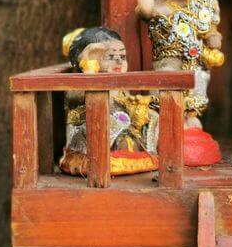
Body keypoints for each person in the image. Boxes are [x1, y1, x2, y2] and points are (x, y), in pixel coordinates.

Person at [134, 0, 224, 128]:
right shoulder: (160, 7)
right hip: (168, 66)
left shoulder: (209, 3)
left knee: (196, 94)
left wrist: (213, 38)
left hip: (197, 65)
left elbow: (211, 30)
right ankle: (170, 125)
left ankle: (190, 118)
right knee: (169, 98)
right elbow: (145, 11)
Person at [58, 27, 159, 176]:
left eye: (122, 56)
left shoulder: (120, 85)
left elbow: (124, 104)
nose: (118, 61)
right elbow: (78, 98)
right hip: (91, 133)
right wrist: (89, 67)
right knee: (113, 122)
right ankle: (101, 157)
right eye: (110, 56)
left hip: (123, 129)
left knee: (151, 116)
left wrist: (137, 107)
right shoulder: (78, 85)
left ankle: (144, 152)